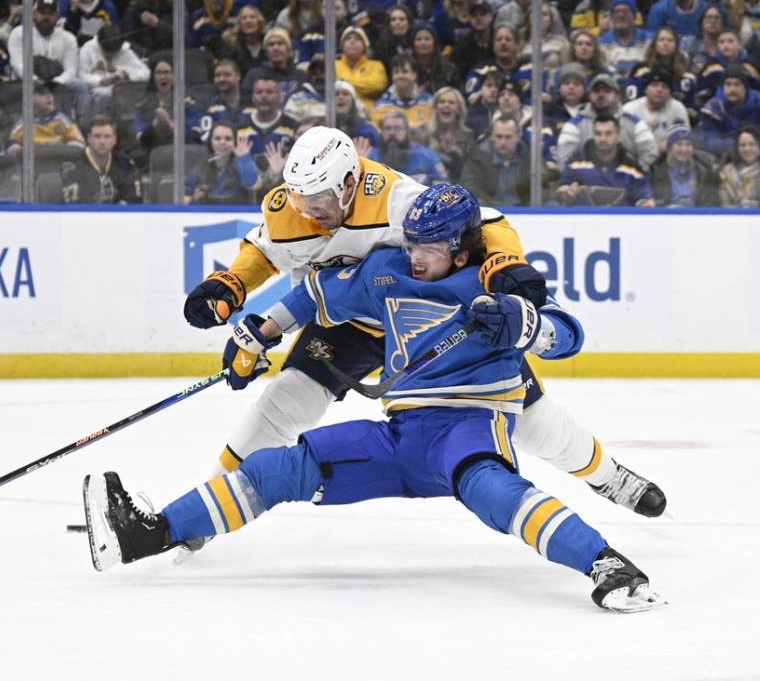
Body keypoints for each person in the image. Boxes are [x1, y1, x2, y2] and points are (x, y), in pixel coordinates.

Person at [88, 184, 665, 614]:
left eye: (430, 248)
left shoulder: (496, 282)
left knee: (497, 492)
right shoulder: (387, 267)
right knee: (277, 468)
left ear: (464, 248)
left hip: (469, 427)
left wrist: (524, 324)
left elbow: (569, 335)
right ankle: (150, 534)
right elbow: (314, 296)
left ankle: (610, 565)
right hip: (399, 434)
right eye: (411, 243)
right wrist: (258, 334)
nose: (416, 256)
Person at [181, 125, 667, 555]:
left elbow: (488, 223)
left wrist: (505, 265)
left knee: (534, 418)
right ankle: (205, 510)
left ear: (350, 182)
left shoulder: (395, 197)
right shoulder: (293, 206)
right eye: (302, 199)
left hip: (420, 315)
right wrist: (235, 288)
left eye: (322, 200)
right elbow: (267, 252)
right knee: (282, 402)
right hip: (346, 316)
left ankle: (610, 478)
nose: (311, 212)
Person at [554, 73, 658, 171]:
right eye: (596, 91)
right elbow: (563, 159)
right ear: (589, 95)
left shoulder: (635, 123)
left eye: (606, 90)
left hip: (628, 183)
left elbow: (650, 154)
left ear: (616, 94)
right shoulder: (574, 125)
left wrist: (632, 177)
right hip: (586, 185)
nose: (601, 95)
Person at [556, 116, 655, 207]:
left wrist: (645, 203)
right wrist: (567, 194)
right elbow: (561, 192)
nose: (603, 139)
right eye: (598, 134)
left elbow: (645, 200)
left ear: (618, 136)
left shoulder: (633, 170)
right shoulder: (575, 164)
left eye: (608, 134)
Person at [60, 116, 141, 204]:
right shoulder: (73, 166)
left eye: (107, 136)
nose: (102, 141)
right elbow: (74, 205)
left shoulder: (126, 165)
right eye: (97, 136)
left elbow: (134, 198)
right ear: (88, 138)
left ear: (114, 139)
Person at [78, 23, 151, 116]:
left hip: (122, 96)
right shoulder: (88, 49)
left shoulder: (126, 52)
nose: (110, 56)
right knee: (102, 94)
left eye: (114, 53)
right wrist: (100, 81)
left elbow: (146, 73)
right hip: (94, 95)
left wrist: (129, 75)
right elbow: (81, 75)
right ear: (100, 44)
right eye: (107, 53)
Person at [460, 116, 533, 206]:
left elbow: (542, 188)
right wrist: (494, 205)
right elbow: (471, 188)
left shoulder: (530, 158)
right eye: (499, 137)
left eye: (508, 137)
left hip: (525, 213)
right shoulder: (478, 157)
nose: (503, 142)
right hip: (490, 212)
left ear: (518, 137)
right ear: (492, 136)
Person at [620, 67, 690, 154]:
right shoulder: (629, 109)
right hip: (636, 157)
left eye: (664, 87)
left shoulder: (677, 108)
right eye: (654, 85)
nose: (659, 90)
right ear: (645, 89)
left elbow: (683, 138)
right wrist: (655, 148)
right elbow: (624, 144)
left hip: (668, 157)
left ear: (670, 93)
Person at [185, 121, 257, 204]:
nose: (222, 142)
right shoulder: (200, 168)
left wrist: (244, 159)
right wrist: (195, 200)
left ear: (235, 142)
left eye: (228, 139)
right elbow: (185, 199)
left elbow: (250, 182)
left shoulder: (244, 164)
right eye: (217, 138)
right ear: (210, 142)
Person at [368, 109, 447, 184]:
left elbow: (444, 185)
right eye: (387, 128)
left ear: (407, 131)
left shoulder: (427, 156)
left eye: (397, 128)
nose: (392, 132)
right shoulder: (371, 158)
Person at [699, 65, 760, 159]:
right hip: (724, 158)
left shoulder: (758, 104)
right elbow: (707, 140)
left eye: (737, 84)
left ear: (746, 87)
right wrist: (738, 146)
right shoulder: (714, 107)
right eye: (728, 84)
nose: (732, 89)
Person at [6, 83, 85, 155]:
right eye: (42, 93)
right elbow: (13, 141)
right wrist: (14, 146)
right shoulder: (23, 123)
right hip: (33, 164)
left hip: (58, 161)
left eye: (50, 92)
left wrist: (70, 148)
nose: (49, 96)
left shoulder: (61, 119)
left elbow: (78, 142)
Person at [650, 126, 719, 207]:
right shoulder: (656, 170)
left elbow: (711, 202)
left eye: (688, 145)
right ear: (670, 147)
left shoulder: (704, 170)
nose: (684, 149)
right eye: (679, 144)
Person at [372, 54, 435, 129]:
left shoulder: (429, 102)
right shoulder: (381, 105)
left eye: (405, 72)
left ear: (414, 75)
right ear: (392, 76)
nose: (400, 76)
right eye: (396, 72)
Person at [336, 26, 390, 112]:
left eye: (357, 39)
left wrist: (345, 84)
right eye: (347, 39)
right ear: (342, 45)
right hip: (338, 109)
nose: (352, 41)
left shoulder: (376, 65)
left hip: (367, 110)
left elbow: (377, 86)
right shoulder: (333, 65)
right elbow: (329, 88)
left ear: (365, 45)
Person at [597, 0, 654, 76]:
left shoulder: (650, 40)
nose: (621, 15)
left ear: (635, 17)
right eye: (616, 12)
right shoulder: (601, 43)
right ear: (611, 17)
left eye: (626, 11)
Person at [718, 126, 760, 207]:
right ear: (737, 148)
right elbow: (722, 205)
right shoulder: (725, 172)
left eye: (752, 144)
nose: (747, 149)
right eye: (743, 145)